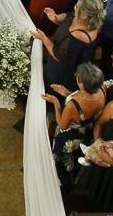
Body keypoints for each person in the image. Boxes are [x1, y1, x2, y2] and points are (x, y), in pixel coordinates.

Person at [43, 62, 105, 193]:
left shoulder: (72, 105)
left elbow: (62, 124)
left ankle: (64, 187)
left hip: (69, 137)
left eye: (78, 76)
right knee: (77, 158)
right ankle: (75, 178)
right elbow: (85, 103)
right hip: (87, 131)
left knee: (64, 163)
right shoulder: (102, 90)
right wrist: (68, 93)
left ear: (82, 84)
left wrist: (55, 102)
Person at [34, 0, 104, 94]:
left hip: (63, 71)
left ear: (85, 15)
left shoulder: (79, 36)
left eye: (77, 7)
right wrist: (55, 18)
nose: (75, 8)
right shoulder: (82, 19)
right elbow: (68, 16)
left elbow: (58, 55)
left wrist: (43, 38)